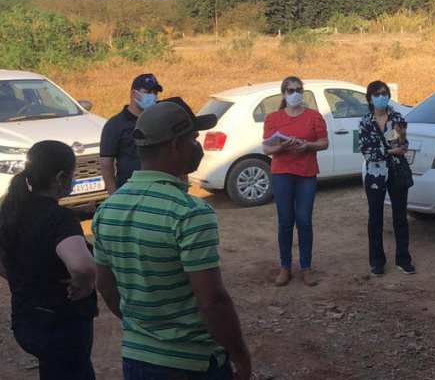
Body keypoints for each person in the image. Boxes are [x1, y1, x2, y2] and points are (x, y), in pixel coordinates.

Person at [93, 98, 251, 380]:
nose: (197, 147)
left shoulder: (108, 209)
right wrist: (240, 356)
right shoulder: (189, 212)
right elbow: (213, 303)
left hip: (136, 359)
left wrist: (146, 330)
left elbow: (106, 286)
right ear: (176, 145)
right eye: (193, 139)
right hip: (193, 363)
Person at [0, 141, 98, 380]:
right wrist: (85, 285)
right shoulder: (59, 218)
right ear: (61, 178)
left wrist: (21, 277)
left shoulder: (11, 211)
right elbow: (81, 266)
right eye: (73, 174)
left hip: (26, 320)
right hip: (60, 322)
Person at [263, 76, 328, 287]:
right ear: (283, 94)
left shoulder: (314, 116)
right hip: (282, 173)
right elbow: (267, 149)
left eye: (299, 90)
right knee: (285, 221)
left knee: (304, 221)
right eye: (290, 90)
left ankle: (306, 267)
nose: (295, 94)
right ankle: (285, 267)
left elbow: (324, 143)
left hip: (306, 174)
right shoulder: (273, 118)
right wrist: (281, 147)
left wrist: (307, 146)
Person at [359, 80, 415, 276]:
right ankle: (377, 262)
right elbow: (367, 152)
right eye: (377, 94)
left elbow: (403, 146)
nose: (381, 97)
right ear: (370, 99)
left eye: (384, 93)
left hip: (397, 172)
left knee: (400, 217)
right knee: (375, 218)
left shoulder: (397, 118)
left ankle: (403, 259)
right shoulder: (365, 122)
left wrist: (402, 136)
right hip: (375, 175)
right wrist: (391, 151)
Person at [100, 73, 164, 194]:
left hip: (158, 189)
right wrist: (114, 195)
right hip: (130, 191)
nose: (152, 96)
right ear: (133, 93)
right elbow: (106, 163)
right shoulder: (115, 124)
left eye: (155, 93)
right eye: (147, 92)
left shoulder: (159, 120)